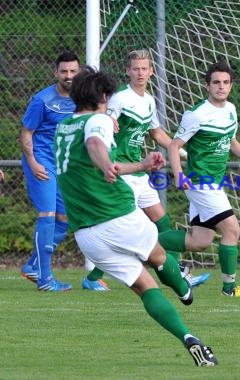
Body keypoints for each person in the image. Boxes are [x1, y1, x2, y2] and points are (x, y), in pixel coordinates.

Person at [54, 67, 217, 366]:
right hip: (117, 216)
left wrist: (139, 165)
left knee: (145, 288)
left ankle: (188, 337)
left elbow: (103, 161)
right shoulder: (99, 119)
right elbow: (95, 146)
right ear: (104, 96)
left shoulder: (63, 128)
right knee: (157, 255)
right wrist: (105, 164)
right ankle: (184, 289)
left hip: (86, 236)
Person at [160, 61, 240, 297]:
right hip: (200, 181)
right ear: (207, 85)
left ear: (231, 86)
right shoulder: (196, 114)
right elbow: (175, 146)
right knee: (232, 230)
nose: (221, 87)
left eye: (226, 82)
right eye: (216, 82)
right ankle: (229, 288)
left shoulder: (231, 110)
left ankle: (146, 244)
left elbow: (231, 141)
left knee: (199, 240)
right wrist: (179, 175)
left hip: (214, 183)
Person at [107, 49, 210, 288]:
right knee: (118, 227)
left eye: (144, 68)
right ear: (128, 71)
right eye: (135, 68)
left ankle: (179, 273)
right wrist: (108, 120)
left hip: (140, 173)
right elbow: (107, 121)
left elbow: (156, 133)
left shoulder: (149, 101)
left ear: (151, 71)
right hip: (123, 171)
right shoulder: (120, 98)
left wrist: (183, 151)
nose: (140, 73)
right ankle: (93, 278)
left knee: (162, 222)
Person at [19, 50, 108, 291]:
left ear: (79, 72)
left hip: (63, 164)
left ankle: (33, 265)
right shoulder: (42, 100)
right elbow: (26, 132)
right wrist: (33, 162)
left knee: (63, 220)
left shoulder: (82, 99)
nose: (69, 76)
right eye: (64, 71)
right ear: (55, 73)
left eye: (73, 71)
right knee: (47, 215)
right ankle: (45, 279)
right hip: (41, 161)